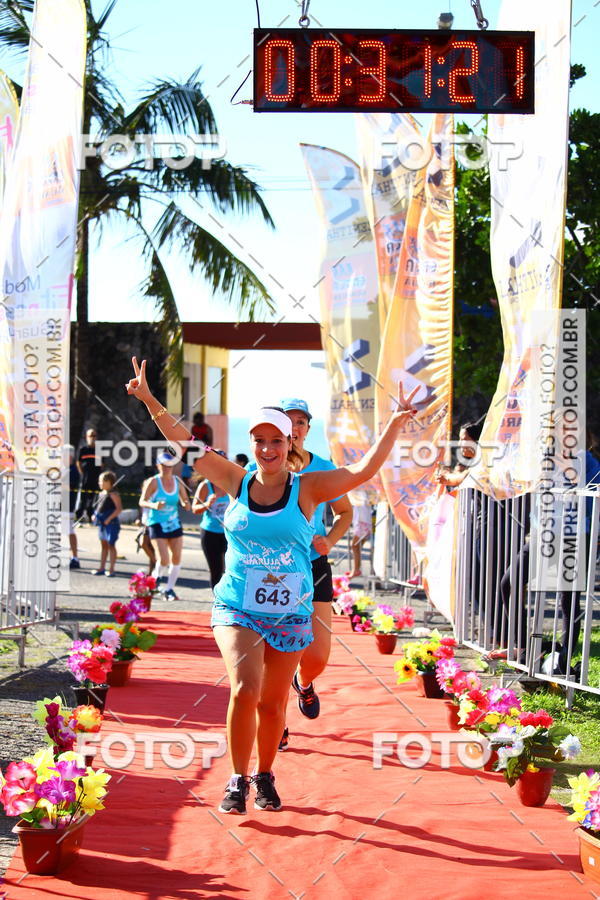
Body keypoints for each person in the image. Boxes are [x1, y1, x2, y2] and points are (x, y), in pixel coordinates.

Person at [126, 356, 417, 815]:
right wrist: (148, 399)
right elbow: (185, 443)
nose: (267, 449)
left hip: (291, 609)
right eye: (259, 441)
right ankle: (237, 779)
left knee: (273, 702)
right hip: (237, 604)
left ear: (290, 443)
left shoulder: (309, 488)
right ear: (251, 444)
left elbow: (361, 472)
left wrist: (396, 424)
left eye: (276, 441)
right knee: (244, 688)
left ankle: (264, 774)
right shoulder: (233, 480)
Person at [276, 398, 352, 750]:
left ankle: (303, 683)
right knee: (271, 653)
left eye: (300, 422)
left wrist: (330, 540)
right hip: (273, 567)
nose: (294, 427)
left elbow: (345, 512)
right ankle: (275, 723)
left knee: (318, 655)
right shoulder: (268, 464)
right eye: (287, 421)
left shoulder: (322, 467)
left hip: (314, 564)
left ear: (307, 428)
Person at [140, 451, 191, 601]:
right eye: (164, 465)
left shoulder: (177, 481)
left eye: (170, 465)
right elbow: (142, 501)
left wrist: (186, 504)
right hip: (157, 524)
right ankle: (154, 581)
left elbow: (185, 500)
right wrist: (153, 505)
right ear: (158, 466)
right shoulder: (153, 482)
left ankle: (169, 589)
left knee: (176, 559)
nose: (167, 468)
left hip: (174, 524)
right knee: (164, 560)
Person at [192, 450, 230, 589]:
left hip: (229, 533)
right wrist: (207, 504)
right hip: (210, 533)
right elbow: (194, 509)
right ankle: (218, 601)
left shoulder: (231, 483)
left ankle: (230, 600)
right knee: (216, 570)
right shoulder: (205, 486)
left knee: (231, 569)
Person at [91, 471, 122, 576]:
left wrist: (109, 519)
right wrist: (94, 515)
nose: (100, 483)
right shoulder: (101, 494)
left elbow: (118, 509)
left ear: (110, 482)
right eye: (100, 481)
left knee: (111, 545)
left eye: (103, 481)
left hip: (111, 523)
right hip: (102, 523)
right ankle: (101, 568)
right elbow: (99, 508)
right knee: (103, 545)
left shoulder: (113, 494)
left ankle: (111, 569)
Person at [75, 427, 102, 522]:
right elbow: (78, 463)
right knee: (83, 498)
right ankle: (79, 516)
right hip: (85, 478)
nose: (93, 438)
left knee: (93, 498)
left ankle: (90, 516)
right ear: (87, 437)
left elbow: (102, 464)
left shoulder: (99, 450)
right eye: (91, 435)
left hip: (95, 478)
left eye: (94, 435)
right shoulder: (83, 449)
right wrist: (82, 473)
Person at [135, 476, 157, 576]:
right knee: (144, 544)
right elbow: (141, 511)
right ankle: (155, 561)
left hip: (152, 524)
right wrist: (138, 519)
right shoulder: (143, 499)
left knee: (150, 547)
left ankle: (153, 570)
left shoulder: (155, 497)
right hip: (144, 525)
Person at [348, 492, 373, 578]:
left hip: (363, 522)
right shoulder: (358, 492)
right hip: (362, 521)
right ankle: (357, 569)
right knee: (357, 546)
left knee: (355, 546)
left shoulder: (360, 492)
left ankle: (356, 570)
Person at [67, 447, 81, 569]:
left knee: (69, 531)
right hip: (57, 506)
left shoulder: (73, 470)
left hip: (67, 506)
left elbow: (67, 486)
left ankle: (75, 557)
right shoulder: (63, 469)